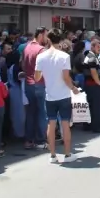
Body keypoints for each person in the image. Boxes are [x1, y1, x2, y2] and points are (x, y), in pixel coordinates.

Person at [34, 28, 80, 164]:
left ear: (48, 39)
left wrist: (46, 74)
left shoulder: (41, 56)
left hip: (50, 95)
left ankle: (53, 155)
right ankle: (67, 154)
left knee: (51, 124)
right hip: (64, 95)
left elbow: (37, 77)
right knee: (65, 124)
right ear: (60, 40)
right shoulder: (64, 56)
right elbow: (66, 77)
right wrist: (73, 88)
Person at [22, 27, 48, 149]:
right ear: (41, 35)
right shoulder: (41, 50)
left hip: (28, 84)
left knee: (31, 112)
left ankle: (29, 140)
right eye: (46, 35)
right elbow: (45, 69)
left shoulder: (26, 47)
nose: (47, 38)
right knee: (42, 113)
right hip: (39, 83)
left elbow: (22, 65)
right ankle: (40, 141)